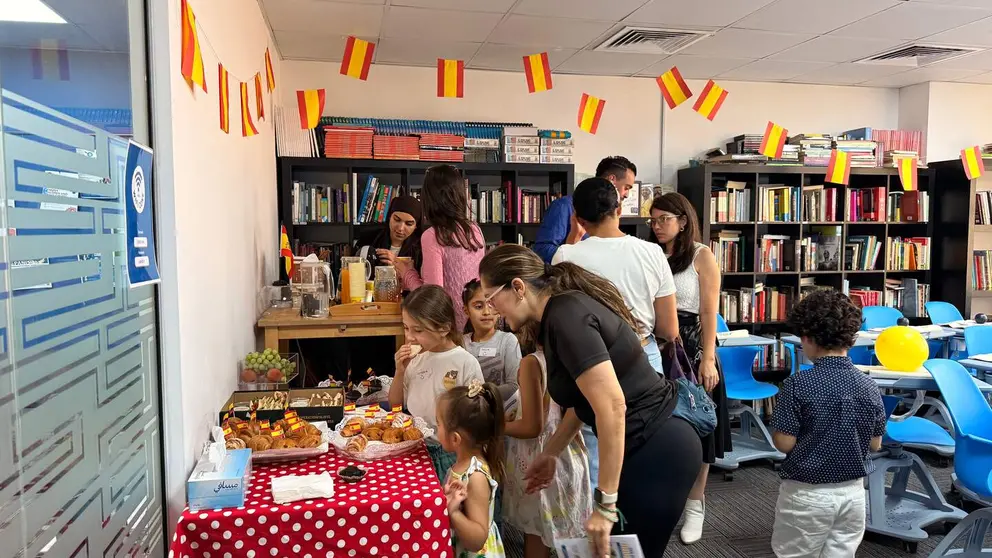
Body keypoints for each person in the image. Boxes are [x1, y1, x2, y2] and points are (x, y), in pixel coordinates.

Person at [479, 244, 701, 557]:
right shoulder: (556, 317)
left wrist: (606, 504)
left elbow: (612, 406)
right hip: (651, 444)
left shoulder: (565, 316)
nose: (491, 309)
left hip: (659, 447)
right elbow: (586, 401)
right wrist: (551, 453)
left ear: (517, 287)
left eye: (491, 298)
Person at [551, 177, 679, 493]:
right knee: (644, 446)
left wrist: (572, 236)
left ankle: (600, 529)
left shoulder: (566, 256)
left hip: (590, 364)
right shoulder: (652, 252)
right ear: (618, 208)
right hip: (643, 359)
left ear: (578, 217)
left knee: (597, 453)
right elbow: (669, 329)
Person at [771, 289, 887, 558]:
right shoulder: (869, 386)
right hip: (853, 494)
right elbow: (875, 443)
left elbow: (784, 443)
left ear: (807, 338)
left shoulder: (796, 384)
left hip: (806, 493)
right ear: (851, 337)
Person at [646, 192, 727, 544]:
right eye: (653, 219)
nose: (657, 225)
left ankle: (696, 503)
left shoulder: (701, 255)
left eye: (664, 218)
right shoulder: (648, 253)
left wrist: (708, 357)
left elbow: (710, 311)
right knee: (659, 425)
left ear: (683, 220)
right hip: (656, 344)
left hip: (693, 346)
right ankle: (661, 497)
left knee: (699, 423)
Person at [503, 323, 591, 558]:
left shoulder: (532, 363)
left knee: (537, 531)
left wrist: (495, 425)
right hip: (568, 454)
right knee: (567, 529)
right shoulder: (571, 359)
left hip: (539, 459)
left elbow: (533, 427)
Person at [388, 285, 484, 477]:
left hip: (450, 454)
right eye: (406, 328)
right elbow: (395, 405)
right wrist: (399, 371)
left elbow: (477, 418)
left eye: (418, 330)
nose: (409, 337)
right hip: (415, 448)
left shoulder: (465, 362)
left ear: (444, 328)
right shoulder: (415, 361)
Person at [397, 165, 485, 332]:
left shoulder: (433, 235)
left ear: (429, 198)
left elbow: (433, 297)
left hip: (448, 329)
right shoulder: (474, 230)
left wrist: (407, 273)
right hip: (474, 324)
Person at [438, 381, 507, 558]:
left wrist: (453, 512)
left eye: (439, 424)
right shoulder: (462, 464)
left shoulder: (475, 476)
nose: (436, 429)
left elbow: (477, 539)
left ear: (455, 439)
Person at [532, 156, 638, 264]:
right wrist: (573, 253)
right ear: (611, 180)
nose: (627, 195)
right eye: (626, 187)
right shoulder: (564, 206)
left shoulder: (613, 215)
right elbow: (542, 251)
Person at [462, 280, 521, 401]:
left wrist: (478, 396)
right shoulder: (461, 343)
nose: (486, 312)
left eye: (491, 305)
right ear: (466, 310)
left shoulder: (508, 340)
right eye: (478, 306)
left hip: (502, 412)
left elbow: (514, 385)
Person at [354, 194, 423, 291]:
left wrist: (396, 264)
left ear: (416, 226)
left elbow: (424, 288)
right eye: (397, 219)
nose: (400, 228)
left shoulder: (422, 248)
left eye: (409, 224)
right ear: (389, 217)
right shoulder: (369, 239)